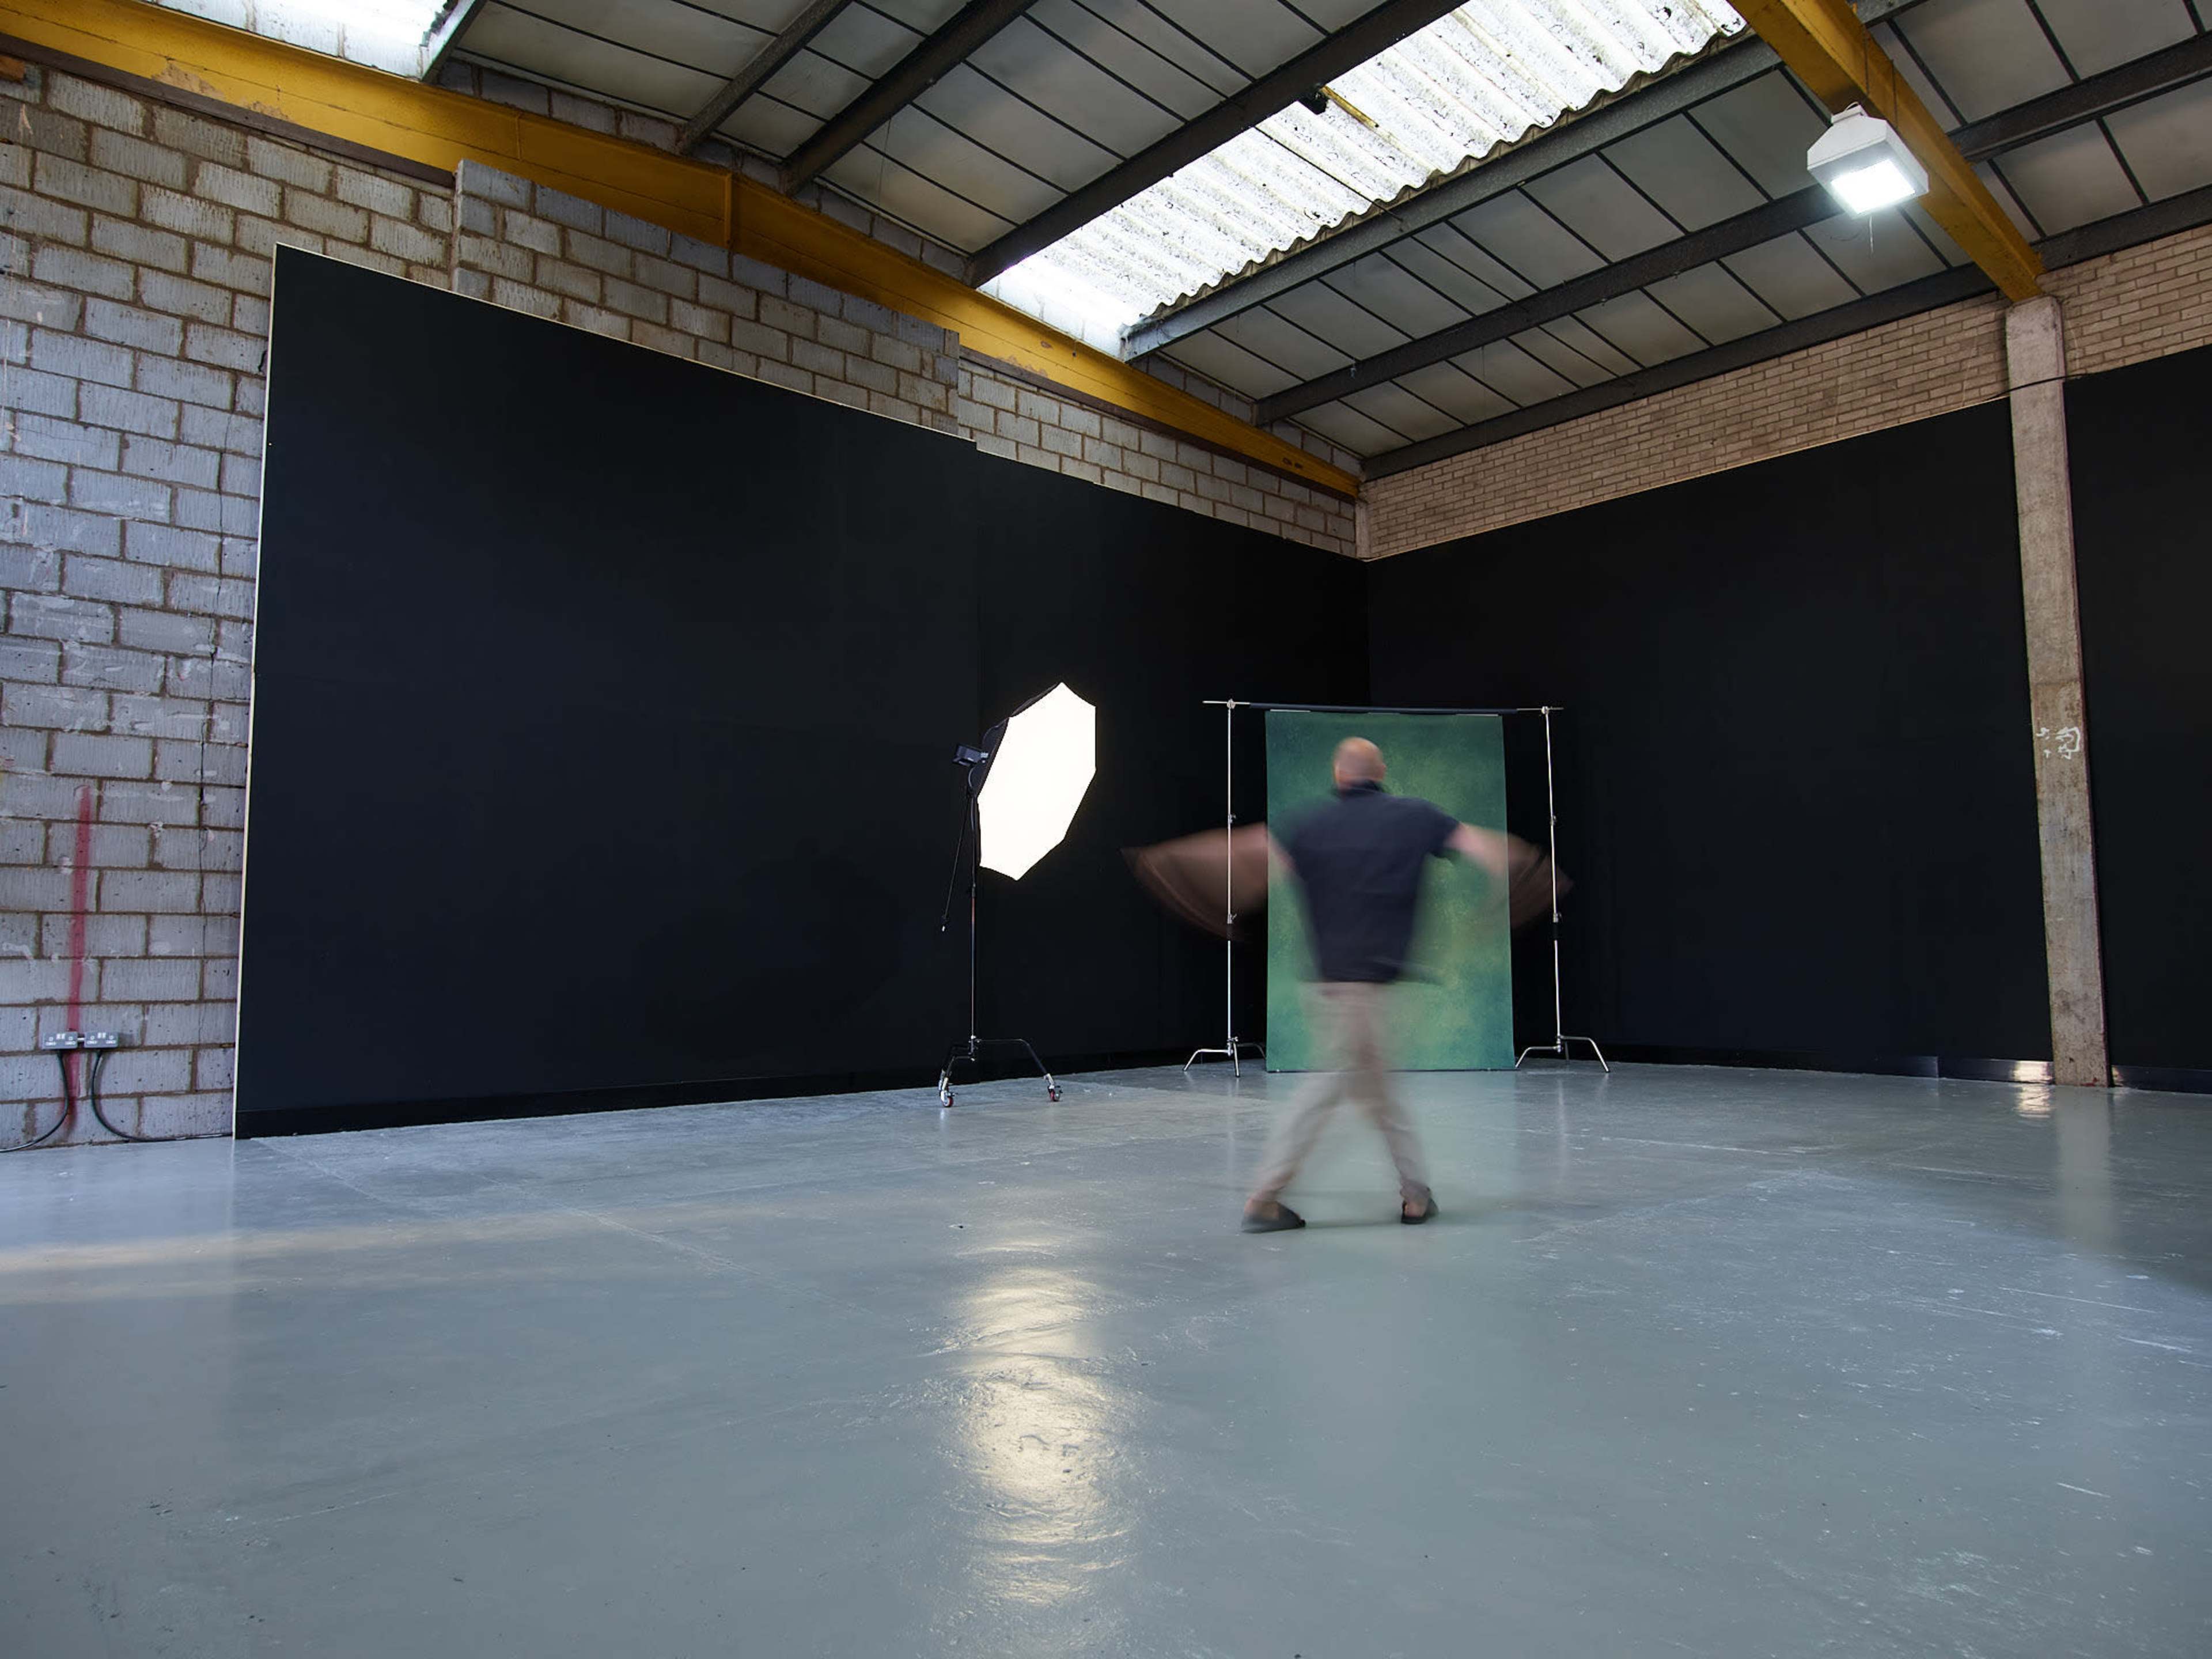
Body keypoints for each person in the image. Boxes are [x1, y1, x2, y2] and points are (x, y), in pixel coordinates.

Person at [1243, 736, 1512, 1234]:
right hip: (1370, 989)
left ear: (1339, 774)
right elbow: (1488, 852)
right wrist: (1507, 891)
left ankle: (1416, 1195)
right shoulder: (1415, 816)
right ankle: (1264, 1197)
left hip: (1331, 987)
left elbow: (1250, 862)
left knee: (1381, 1093)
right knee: (1329, 1088)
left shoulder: (1309, 822)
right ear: (1380, 770)